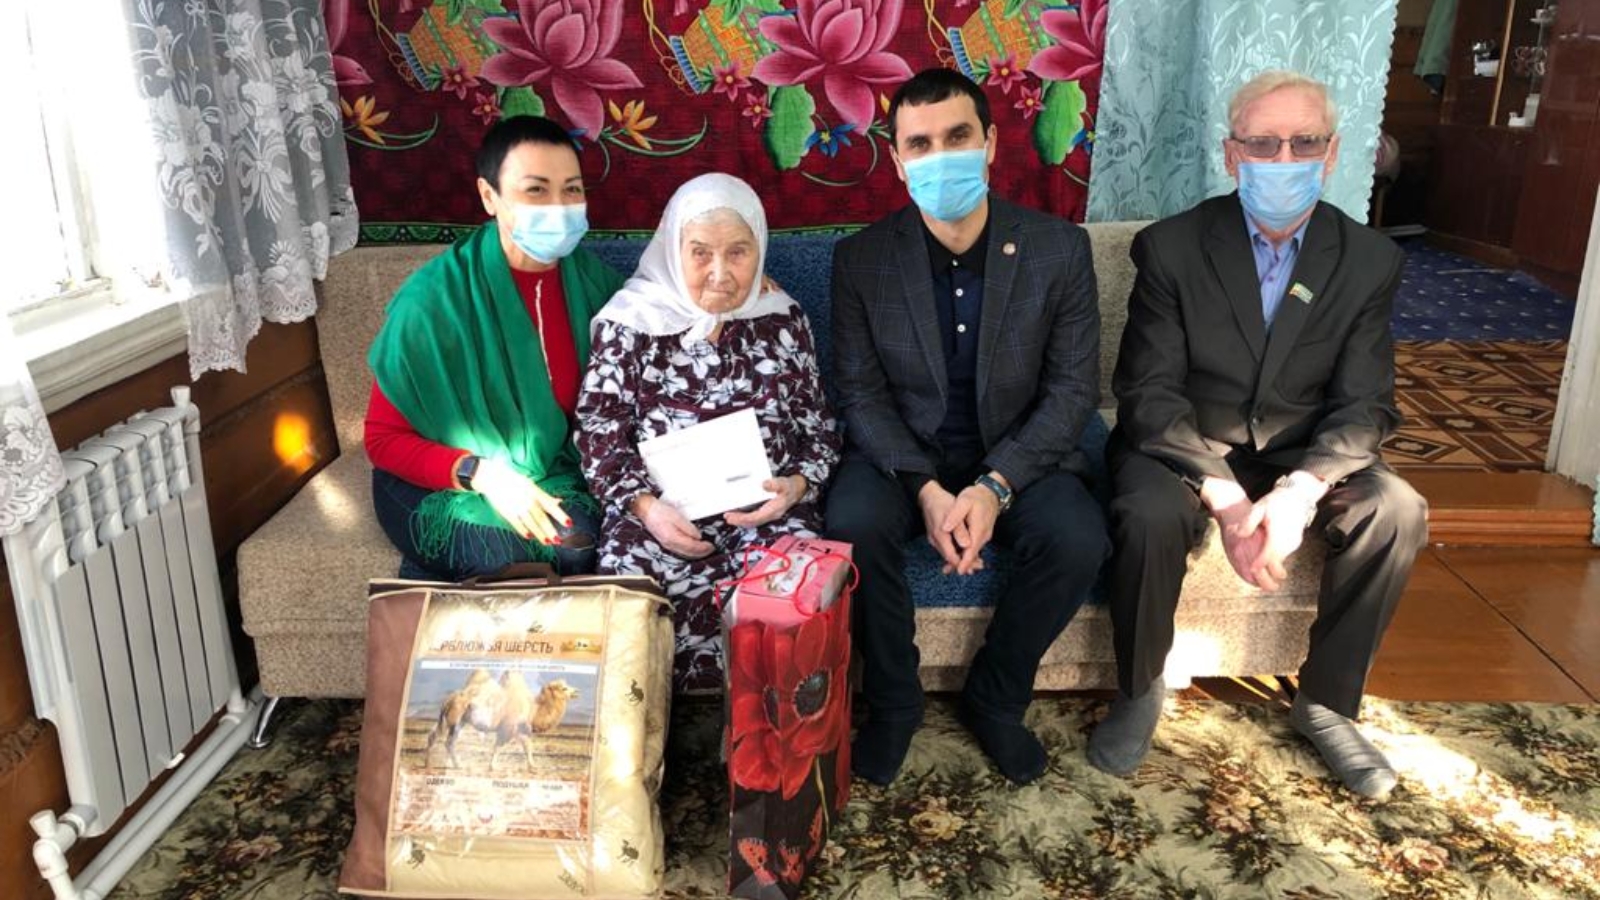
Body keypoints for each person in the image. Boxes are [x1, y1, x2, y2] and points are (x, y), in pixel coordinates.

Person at [1087, 71, 1429, 800]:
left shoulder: (1368, 261)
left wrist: (1301, 490)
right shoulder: (1172, 248)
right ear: (1231, 153)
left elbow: (1366, 404)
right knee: (1146, 511)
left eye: (1304, 142)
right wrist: (1227, 499)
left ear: (1331, 154)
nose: (1284, 159)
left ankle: (1328, 703)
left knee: (1397, 509)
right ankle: (1140, 688)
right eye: (1263, 143)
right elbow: (1147, 393)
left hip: (1304, 451)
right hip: (1188, 445)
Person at [825, 68, 1108, 786]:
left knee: (1079, 537)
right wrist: (926, 490)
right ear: (897, 160)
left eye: (957, 137)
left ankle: (996, 697)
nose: (940, 156)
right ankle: (894, 703)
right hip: (902, 458)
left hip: (1018, 454)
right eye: (919, 144)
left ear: (990, 144)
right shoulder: (861, 259)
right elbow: (859, 393)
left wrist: (994, 486)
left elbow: (1073, 390)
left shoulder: (1058, 249)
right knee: (851, 524)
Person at [576, 173, 840, 694]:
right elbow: (599, 432)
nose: (720, 273)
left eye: (739, 252)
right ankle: (639, 726)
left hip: (767, 513)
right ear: (674, 250)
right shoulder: (630, 322)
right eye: (700, 253)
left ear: (759, 249)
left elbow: (819, 427)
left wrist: (797, 487)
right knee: (628, 596)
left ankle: (767, 727)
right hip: (657, 516)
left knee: (795, 585)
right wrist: (646, 508)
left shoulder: (781, 318)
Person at [365, 115, 625, 581]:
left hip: (551, 469)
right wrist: (484, 475)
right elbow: (382, 440)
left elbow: (668, 312)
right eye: (536, 190)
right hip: (443, 478)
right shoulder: (433, 302)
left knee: (578, 550)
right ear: (490, 196)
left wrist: (747, 300)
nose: (559, 206)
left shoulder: (598, 288)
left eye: (572, 190)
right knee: (503, 560)